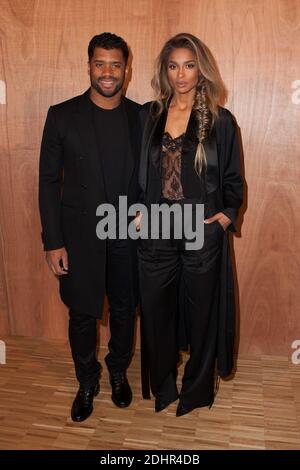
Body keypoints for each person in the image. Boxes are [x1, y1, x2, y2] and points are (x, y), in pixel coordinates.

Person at [138, 33, 243, 416]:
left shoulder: (220, 120)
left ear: (201, 69)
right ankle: (163, 386)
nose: (181, 74)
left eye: (189, 65)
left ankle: (197, 390)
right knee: (156, 308)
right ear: (164, 71)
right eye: (173, 65)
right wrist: (137, 209)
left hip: (201, 228)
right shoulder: (149, 116)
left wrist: (225, 215)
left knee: (202, 313)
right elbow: (138, 174)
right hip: (158, 229)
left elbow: (233, 178)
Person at [39, 33, 141, 422]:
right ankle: (87, 380)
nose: (108, 72)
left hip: (127, 233)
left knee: (124, 308)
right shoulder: (61, 115)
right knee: (82, 314)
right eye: (100, 63)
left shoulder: (141, 116)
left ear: (126, 70)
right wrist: (53, 241)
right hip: (80, 235)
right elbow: (48, 182)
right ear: (88, 67)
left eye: (116, 64)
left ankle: (117, 370)